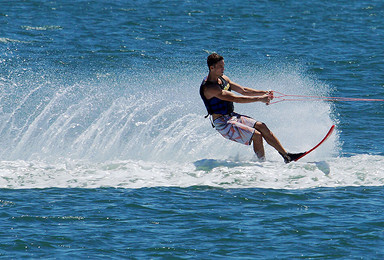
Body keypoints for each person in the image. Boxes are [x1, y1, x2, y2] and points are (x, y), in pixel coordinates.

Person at [199, 53, 304, 163]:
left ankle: (287, 156)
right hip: (223, 123)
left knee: (261, 126)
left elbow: (243, 90)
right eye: (220, 66)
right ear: (212, 68)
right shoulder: (210, 88)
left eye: (223, 66)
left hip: (232, 116)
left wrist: (264, 93)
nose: (223, 69)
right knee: (256, 135)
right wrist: (260, 99)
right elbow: (236, 98)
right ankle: (262, 164)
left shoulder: (223, 78)